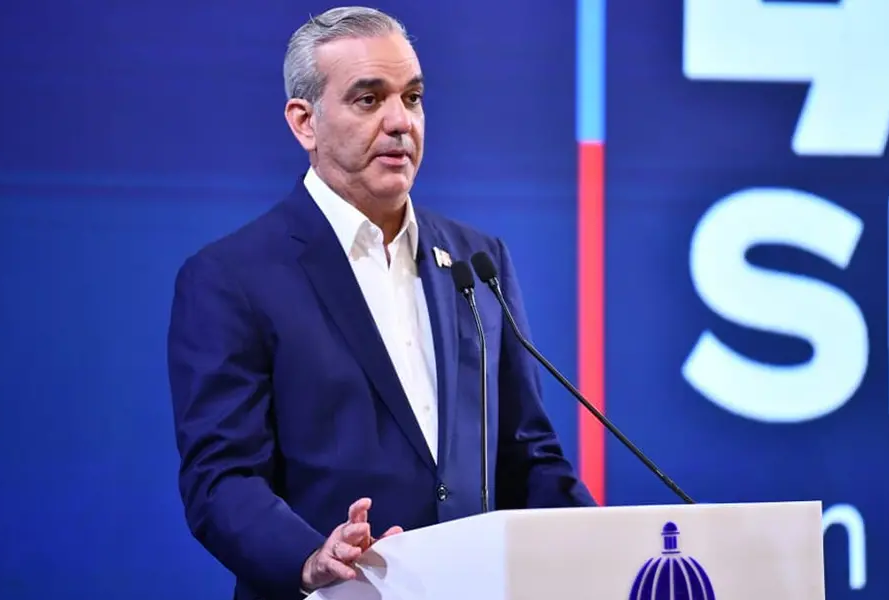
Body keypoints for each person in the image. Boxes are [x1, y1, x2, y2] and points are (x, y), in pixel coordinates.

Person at [167, 6, 596, 599]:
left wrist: (606, 547)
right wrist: (310, 557)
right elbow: (221, 478)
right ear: (305, 122)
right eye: (369, 100)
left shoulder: (477, 261)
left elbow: (527, 457)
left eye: (412, 98)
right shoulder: (231, 278)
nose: (400, 122)